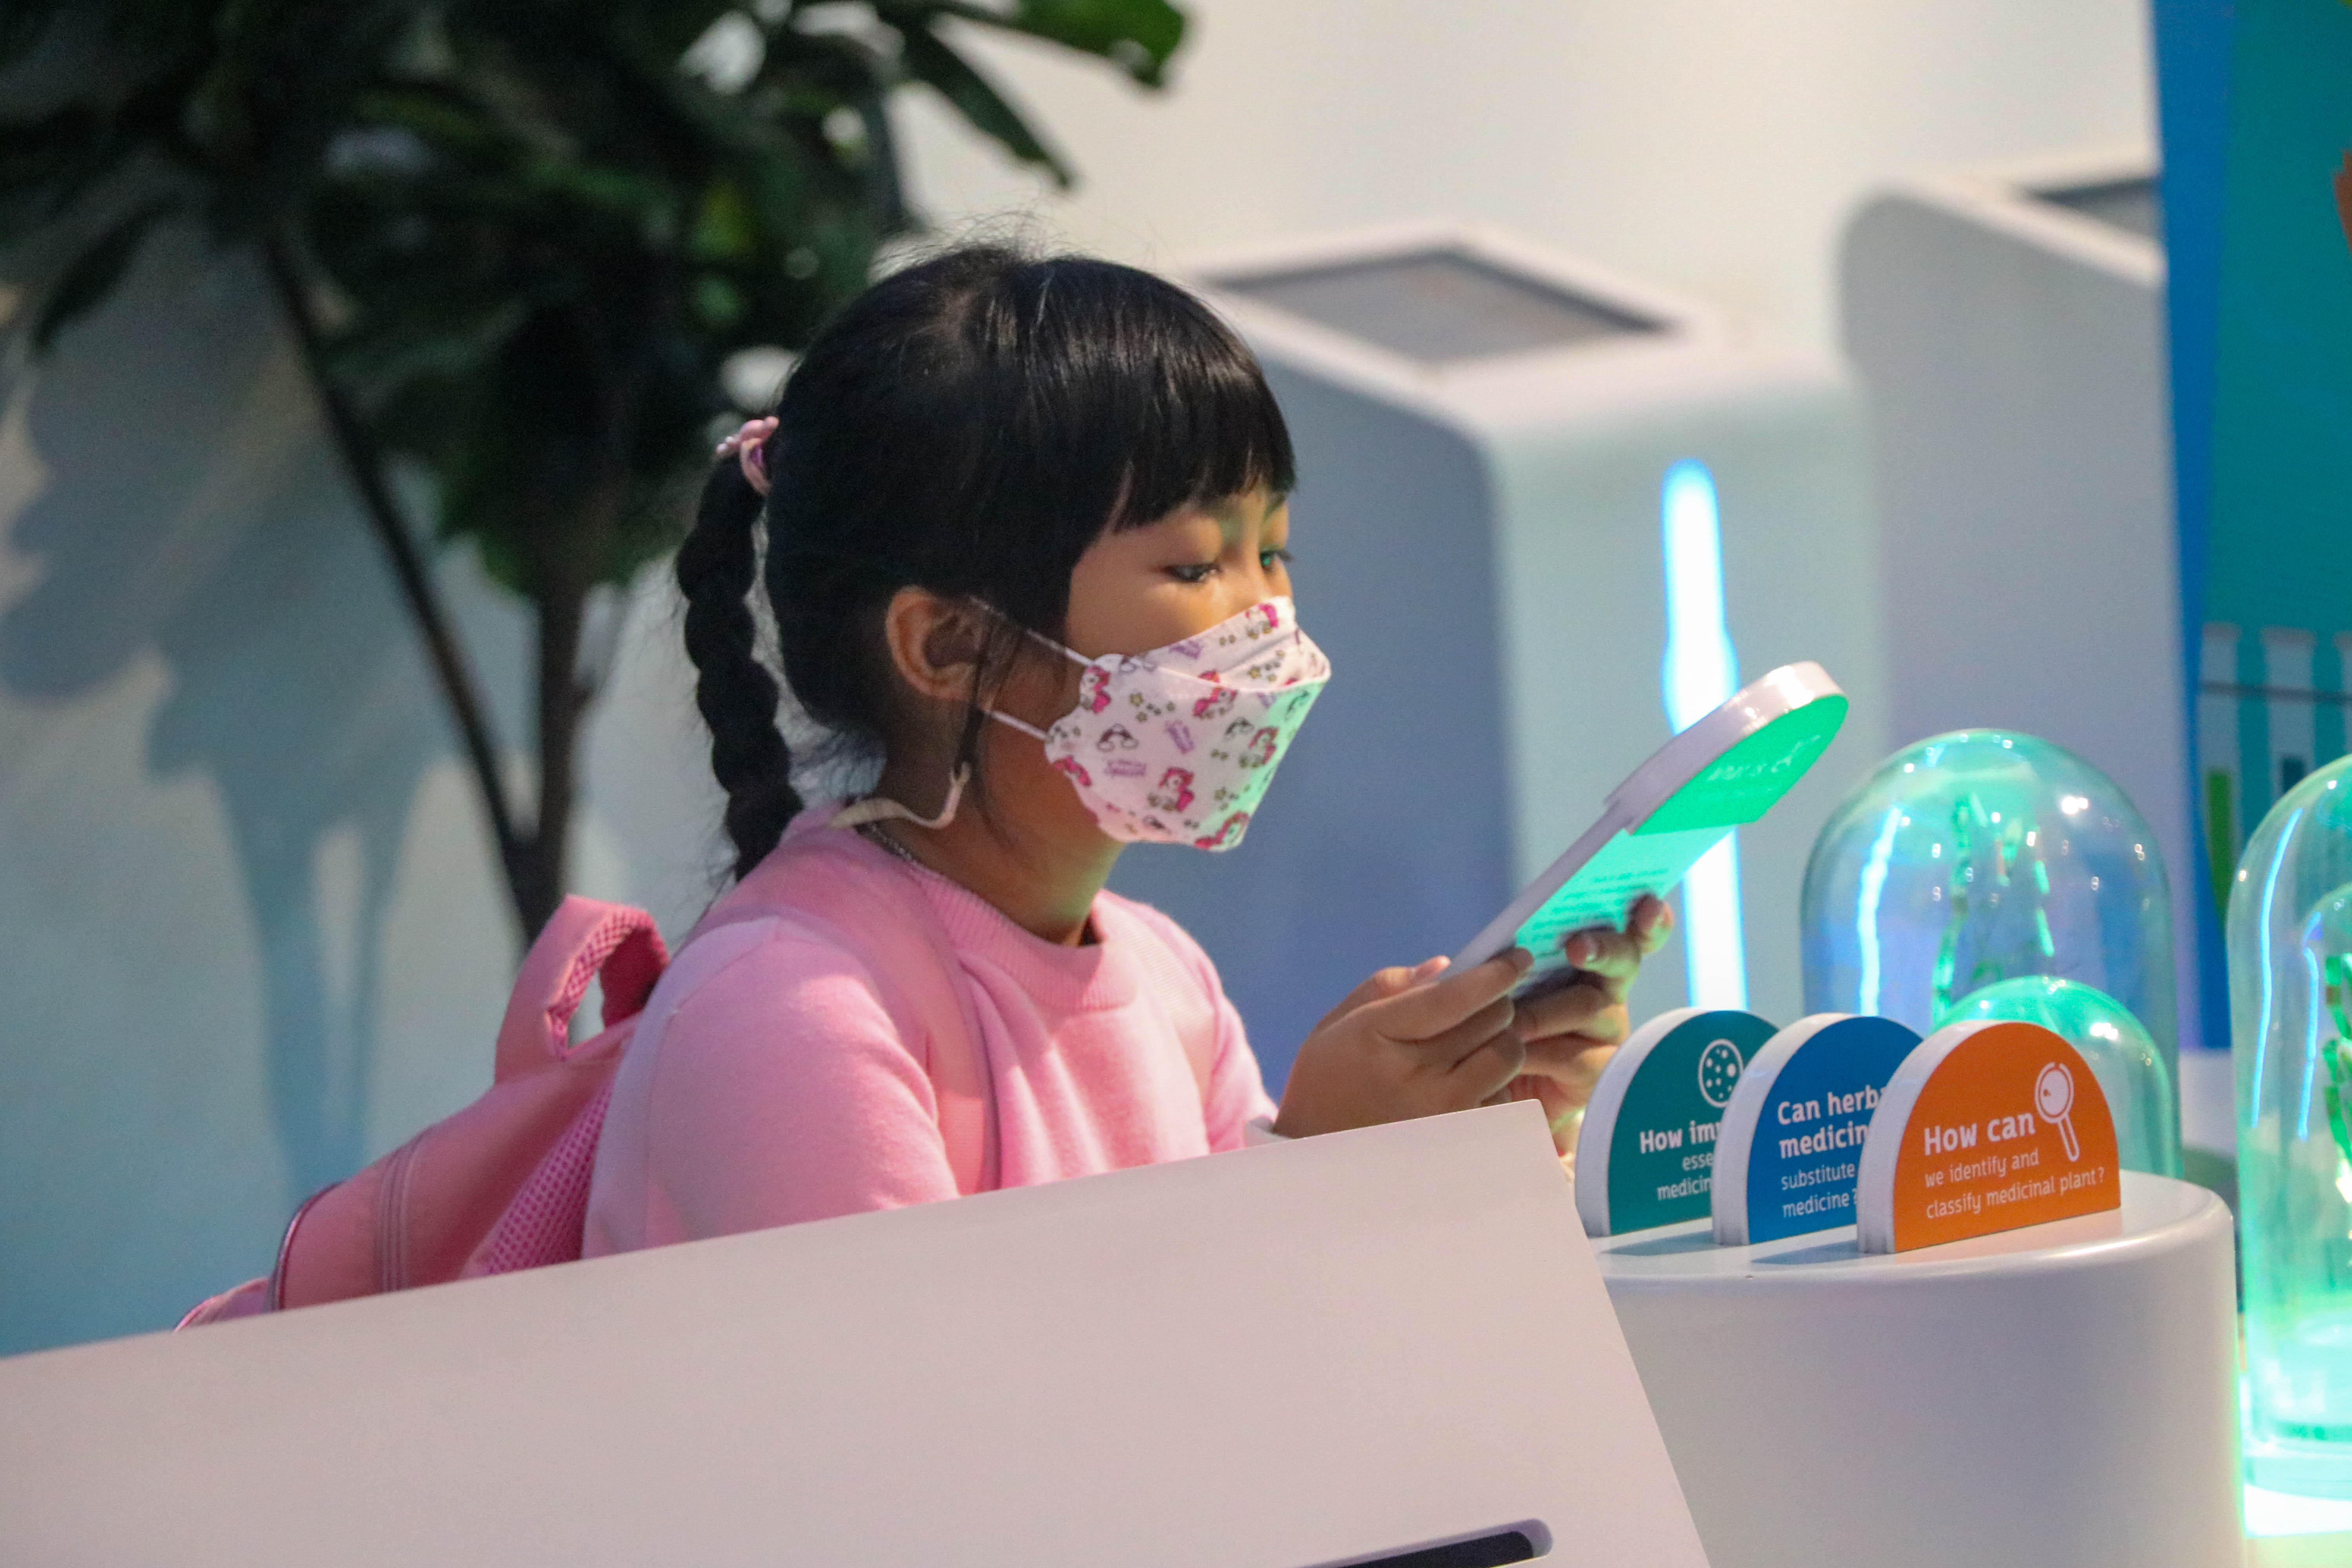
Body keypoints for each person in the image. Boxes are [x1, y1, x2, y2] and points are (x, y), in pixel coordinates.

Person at [583, 245, 1669, 1255]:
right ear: (950, 645)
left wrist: (1473, 1142)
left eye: (1273, 551)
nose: (1268, 621)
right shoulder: (791, 1008)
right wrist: (1319, 1167)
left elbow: (1290, 1349)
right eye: (1196, 567)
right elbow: (958, 1401)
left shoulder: (1165, 976)